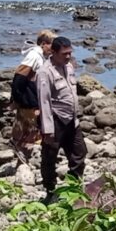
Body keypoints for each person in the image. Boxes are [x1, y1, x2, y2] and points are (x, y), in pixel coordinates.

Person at [36, 36, 86, 204]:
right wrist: (47, 129)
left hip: (72, 120)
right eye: (64, 54)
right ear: (54, 52)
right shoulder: (45, 72)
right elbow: (44, 101)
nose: (68, 57)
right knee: (50, 157)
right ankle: (50, 191)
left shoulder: (69, 67)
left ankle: (72, 188)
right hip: (56, 121)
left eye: (70, 53)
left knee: (80, 153)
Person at [9, 29, 55, 163]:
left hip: (32, 100)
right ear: (44, 44)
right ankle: (24, 159)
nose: (53, 50)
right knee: (30, 130)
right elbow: (19, 77)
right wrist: (17, 99)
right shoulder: (34, 56)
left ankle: (23, 159)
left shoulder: (39, 57)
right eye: (52, 45)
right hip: (29, 101)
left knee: (29, 131)